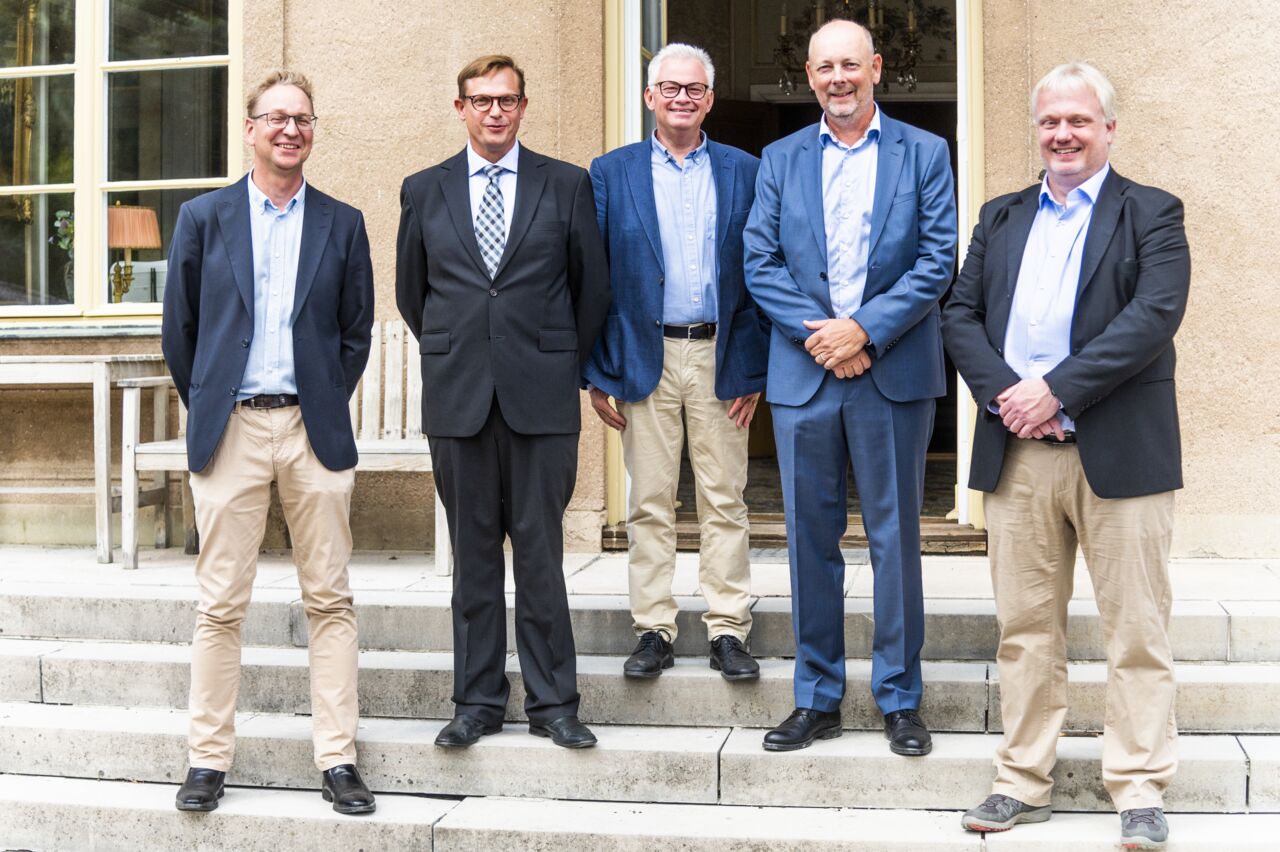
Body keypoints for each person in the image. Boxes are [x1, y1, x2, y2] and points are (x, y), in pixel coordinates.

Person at [943, 62, 1190, 849]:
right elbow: (959, 314)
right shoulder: (1002, 215)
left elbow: (1153, 316)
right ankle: (1022, 780)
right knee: (1025, 629)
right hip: (1018, 453)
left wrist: (1054, 390)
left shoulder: (1152, 212)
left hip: (1120, 451)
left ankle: (1140, 787)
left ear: (1109, 128)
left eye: (1079, 121)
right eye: (1050, 121)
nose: (1063, 134)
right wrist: (1012, 396)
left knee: (1137, 630)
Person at [162, 70, 376, 815]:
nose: (291, 130)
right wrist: (215, 409)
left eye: (304, 119)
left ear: (313, 131)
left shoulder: (342, 223)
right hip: (233, 431)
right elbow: (181, 334)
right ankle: (207, 760)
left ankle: (338, 760)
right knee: (220, 605)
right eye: (277, 118)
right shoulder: (203, 217)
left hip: (313, 431)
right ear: (249, 128)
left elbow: (356, 334)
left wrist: (320, 400)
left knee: (330, 600)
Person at [742, 19, 957, 755]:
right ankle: (817, 698)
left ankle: (900, 699)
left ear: (876, 68)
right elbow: (760, 261)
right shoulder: (779, 158)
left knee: (895, 540)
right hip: (807, 375)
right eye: (825, 67)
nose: (838, 78)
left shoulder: (925, 153)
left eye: (851, 65)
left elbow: (936, 260)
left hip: (890, 372)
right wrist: (825, 337)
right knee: (808, 541)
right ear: (809, 74)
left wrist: (863, 330)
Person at [396, 55, 611, 750]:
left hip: (541, 401)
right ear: (459, 107)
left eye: (507, 100)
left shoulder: (568, 185)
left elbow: (592, 292)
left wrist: (552, 361)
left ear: (524, 106)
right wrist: (466, 350)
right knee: (475, 558)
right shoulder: (423, 190)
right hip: (459, 401)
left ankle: (554, 704)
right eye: (482, 100)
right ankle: (477, 703)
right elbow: (413, 294)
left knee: (543, 557)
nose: (495, 112)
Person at [584, 43, 768, 682]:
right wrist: (597, 370)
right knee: (650, 500)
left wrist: (755, 367)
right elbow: (594, 277)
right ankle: (654, 628)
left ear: (709, 99)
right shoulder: (611, 173)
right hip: (644, 356)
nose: (682, 97)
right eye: (670, 87)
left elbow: (763, 275)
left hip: (722, 353)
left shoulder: (747, 170)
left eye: (694, 88)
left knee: (725, 498)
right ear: (649, 97)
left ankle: (727, 629)